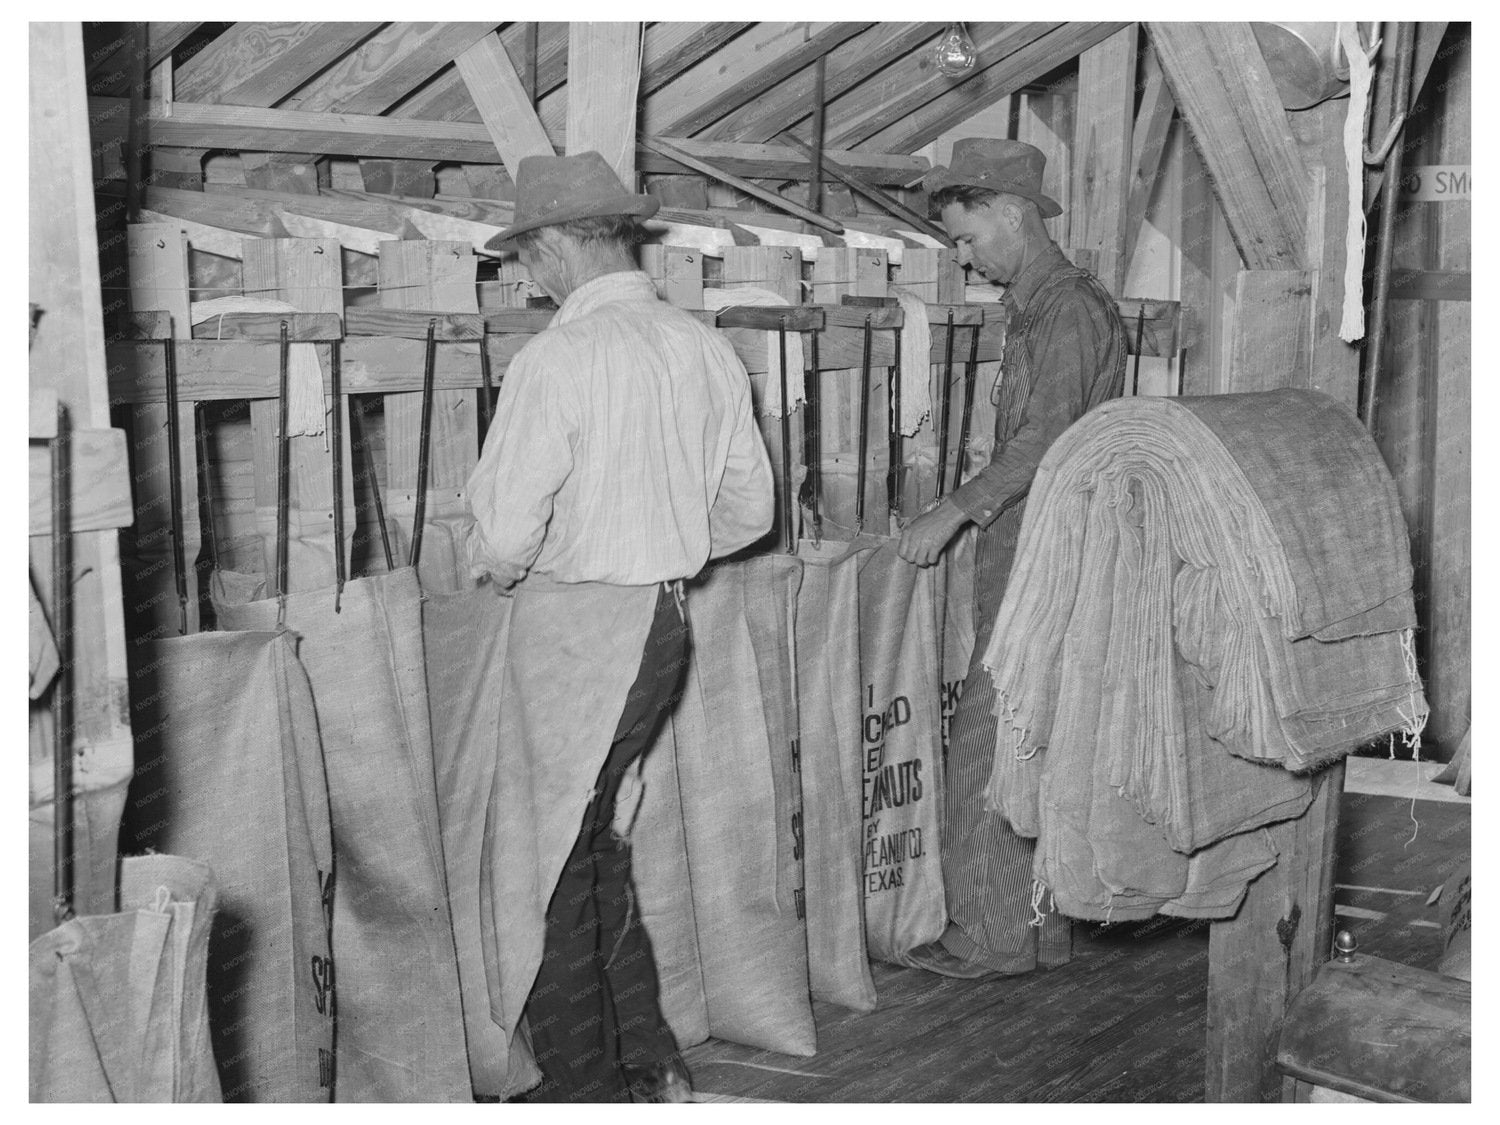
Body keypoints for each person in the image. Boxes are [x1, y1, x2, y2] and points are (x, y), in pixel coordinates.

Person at [467, 151, 775, 1100]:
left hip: (576, 634)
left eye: (527, 255)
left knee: (551, 865)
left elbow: (507, 529)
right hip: (662, 626)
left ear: (560, 243)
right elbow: (749, 512)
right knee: (595, 842)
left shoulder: (556, 359)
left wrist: (499, 565)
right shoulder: (701, 344)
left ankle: (584, 1089)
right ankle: (649, 1059)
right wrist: (662, 542)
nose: (526, 276)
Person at [897, 138, 1127, 978]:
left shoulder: (1066, 309)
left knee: (990, 744)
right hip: (1027, 549)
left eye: (967, 238)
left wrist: (956, 508)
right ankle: (1033, 930)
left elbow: (1048, 437)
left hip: (1043, 556)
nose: (966, 257)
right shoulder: (1041, 307)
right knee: (1027, 742)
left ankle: (992, 938)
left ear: (1010, 213)